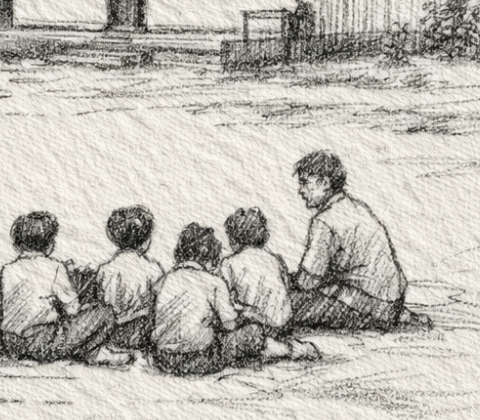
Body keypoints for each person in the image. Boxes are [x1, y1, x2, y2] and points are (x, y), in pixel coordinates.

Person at [288, 152, 408, 331]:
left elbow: (308, 282)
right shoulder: (356, 208)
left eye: (305, 183)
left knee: (284, 304)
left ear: (325, 183)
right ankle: (399, 316)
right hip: (392, 302)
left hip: (364, 305)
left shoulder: (325, 221)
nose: (300, 190)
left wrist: (285, 280)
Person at [0, 212, 126, 365]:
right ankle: (91, 353)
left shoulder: (7, 269)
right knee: (105, 313)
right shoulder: (55, 267)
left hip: (11, 342)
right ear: (50, 245)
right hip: (40, 341)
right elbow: (72, 309)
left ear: (17, 246)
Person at [151, 224, 263, 375]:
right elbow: (229, 324)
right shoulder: (214, 282)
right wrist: (245, 315)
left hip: (163, 358)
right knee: (249, 331)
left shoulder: (166, 279)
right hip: (200, 359)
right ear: (211, 258)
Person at [221, 208, 319, 362]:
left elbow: (222, 293)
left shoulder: (229, 263)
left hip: (259, 324)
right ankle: (280, 346)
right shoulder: (275, 259)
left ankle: (279, 349)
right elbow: (287, 287)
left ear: (234, 238)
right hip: (284, 322)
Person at [95, 205, 166, 351]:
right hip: (140, 334)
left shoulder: (105, 269)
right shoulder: (154, 269)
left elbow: (102, 302)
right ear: (145, 241)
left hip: (111, 333)